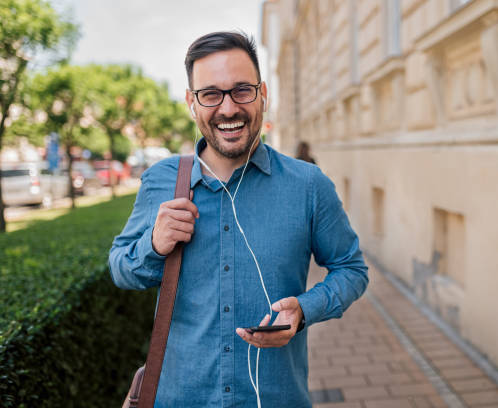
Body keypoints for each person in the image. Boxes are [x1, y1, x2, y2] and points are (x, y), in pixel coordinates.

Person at [109, 31, 368, 408]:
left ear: (263, 94)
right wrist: (153, 243)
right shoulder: (160, 181)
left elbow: (351, 268)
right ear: (191, 103)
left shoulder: (308, 185)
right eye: (211, 94)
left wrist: (305, 309)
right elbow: (120, 268)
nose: (228, 109)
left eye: (241, 90)